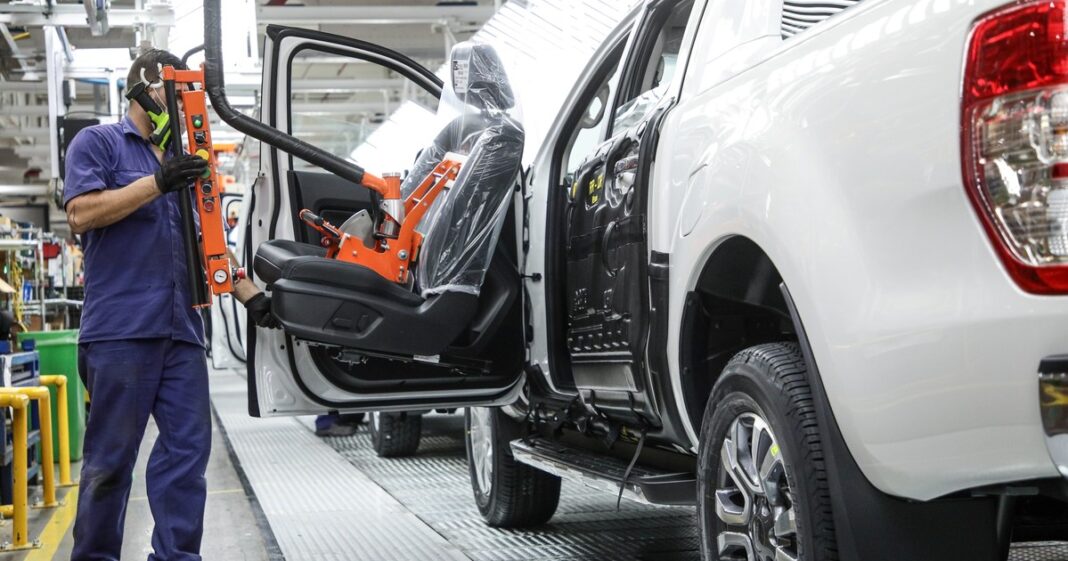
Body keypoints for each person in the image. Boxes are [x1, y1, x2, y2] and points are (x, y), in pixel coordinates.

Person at [63, 48, 271, 561]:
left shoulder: (187, 160)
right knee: (111, 462)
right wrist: (156, 182)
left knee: (187, 455)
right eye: (175, 95)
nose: (183, 109)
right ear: (146, 91)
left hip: (183, 332)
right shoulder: (99, 143)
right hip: (121, 331)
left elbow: (207, 239)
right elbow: (81, 214)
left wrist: (250, 295)